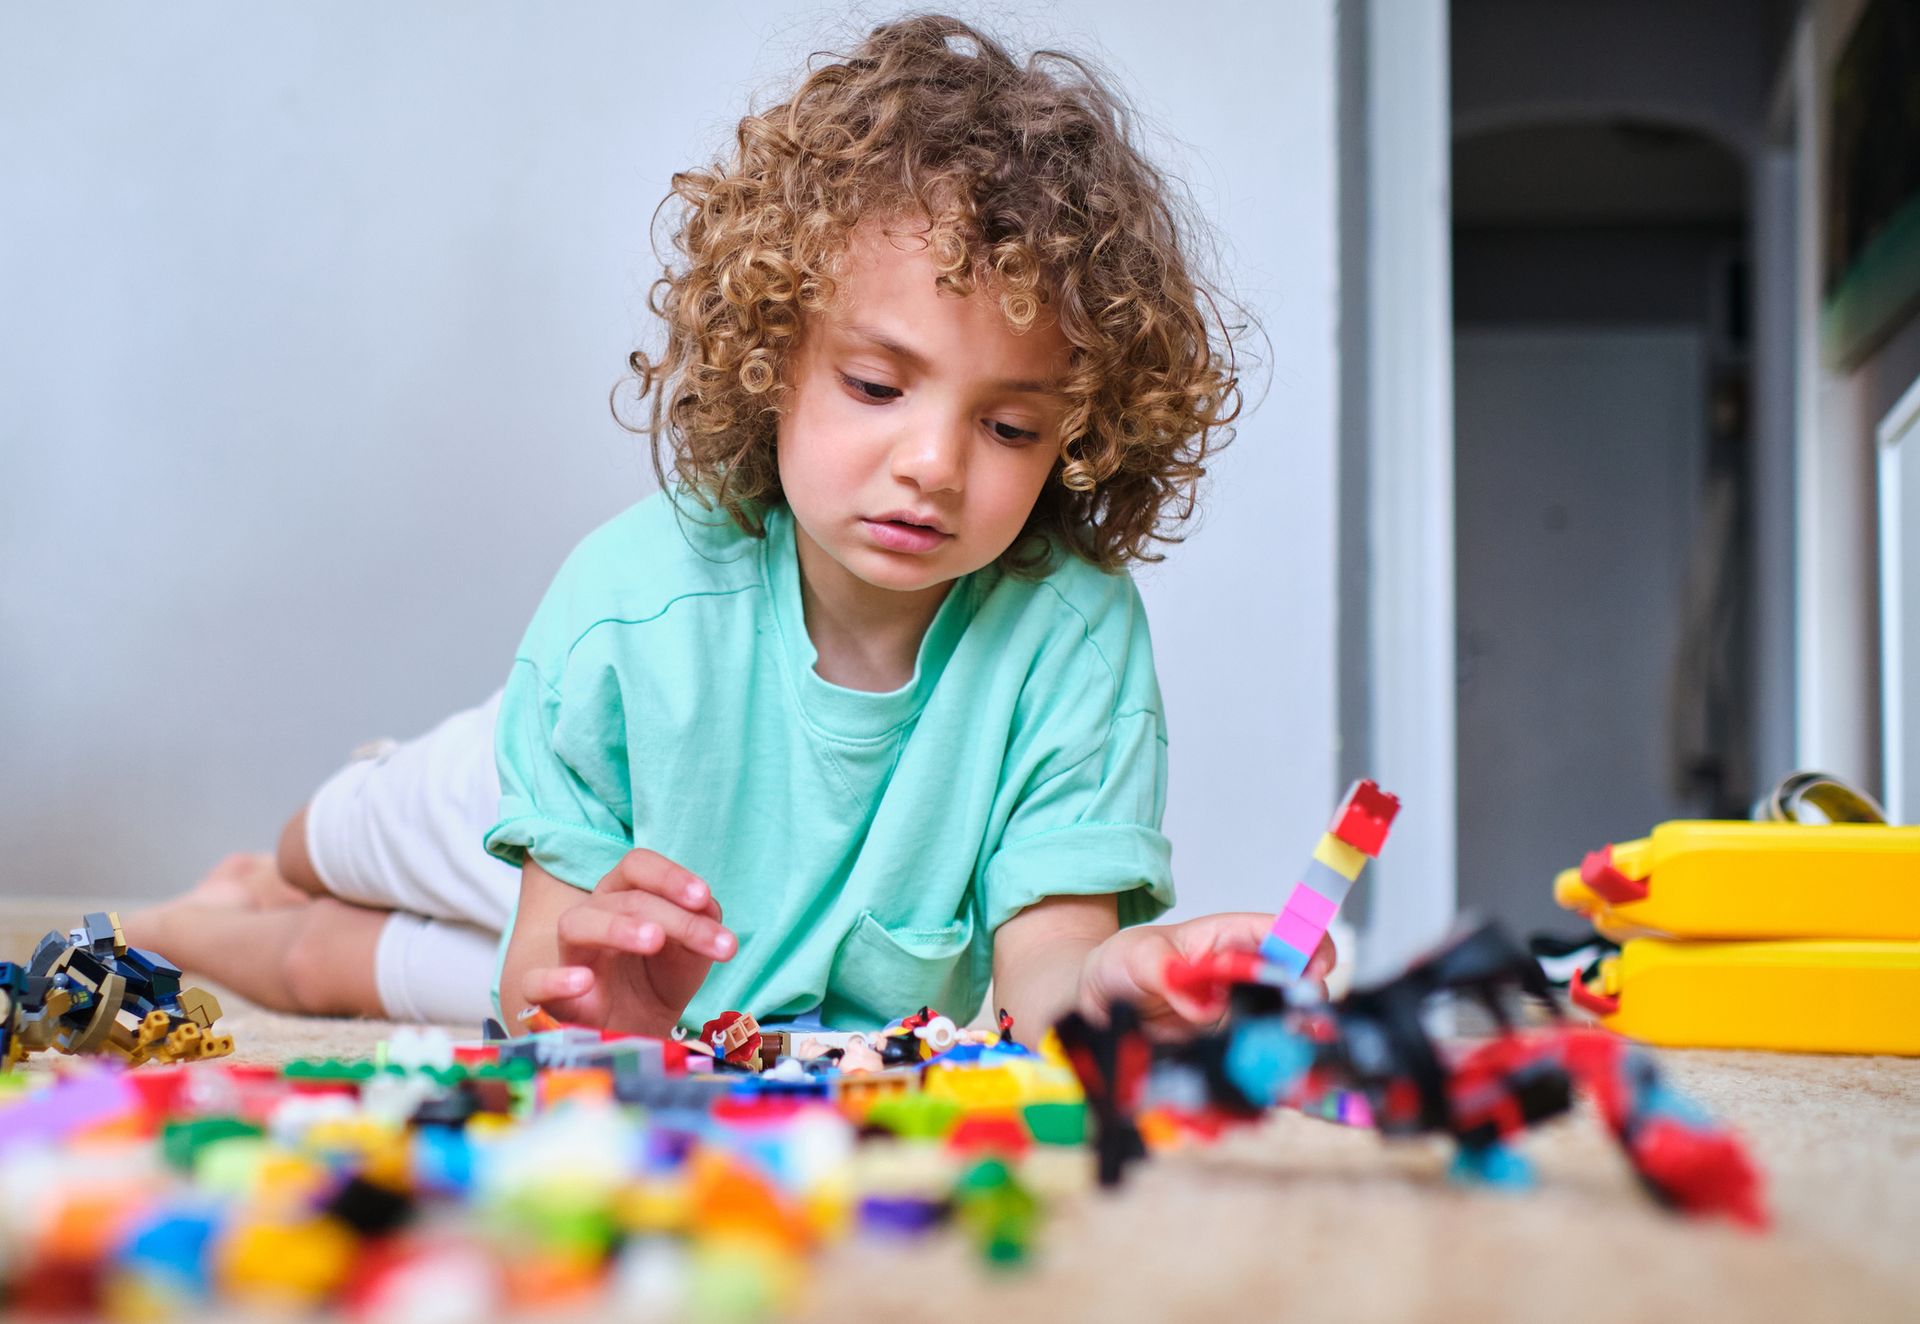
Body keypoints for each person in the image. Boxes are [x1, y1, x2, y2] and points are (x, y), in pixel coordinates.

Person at [127, 15, 1333, 1042]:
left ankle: (184, 929)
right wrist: (550, 950)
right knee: (327, 845)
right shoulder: (627, 603)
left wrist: (1118, 983)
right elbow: (552, 913)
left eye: (1011, 428)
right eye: (876, 387)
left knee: (314, 974)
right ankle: (236, 880)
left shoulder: (1071, 642)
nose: (932, 465)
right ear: (773, 361)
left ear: (1078, 438)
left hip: (684, 988)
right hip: (557, 793)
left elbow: (1046, 986)